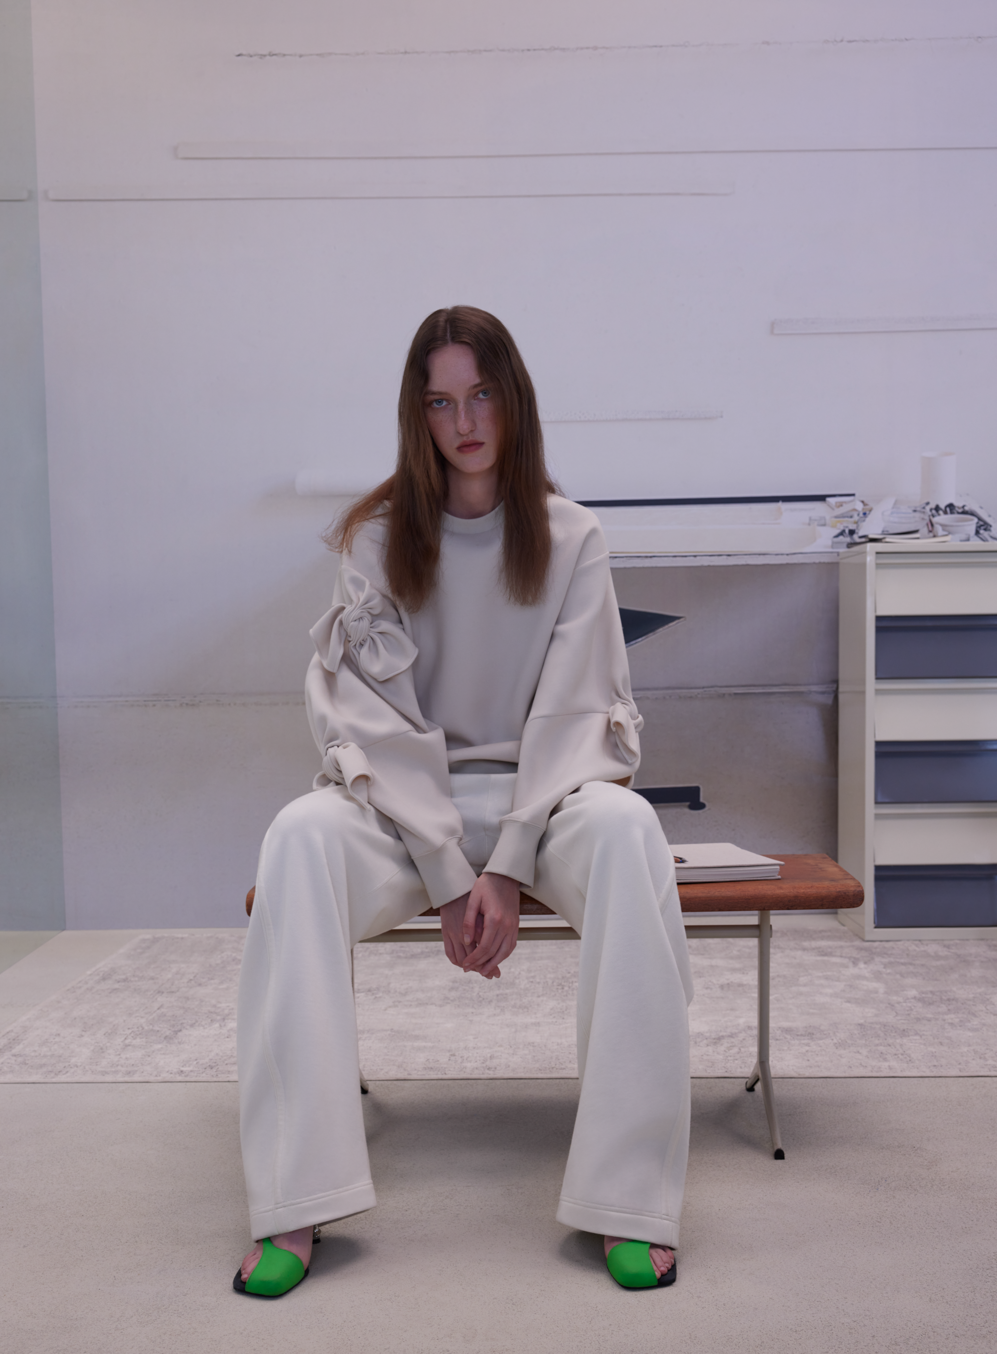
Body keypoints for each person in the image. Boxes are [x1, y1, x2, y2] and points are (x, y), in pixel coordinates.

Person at [234, 306, 693, 1298]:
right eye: (440, 402)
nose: (465, 421)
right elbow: (374, 721)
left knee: (630, 829)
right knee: (297, 837)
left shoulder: (572, 537)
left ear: (512, 397)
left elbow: (574, 711)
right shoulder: (374, 538)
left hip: (546, 802)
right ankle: (293, 1197)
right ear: (419, 415)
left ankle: (629, 1199)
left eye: (481, 394)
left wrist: (508, 861)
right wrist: (448, 870)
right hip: (404, 812)